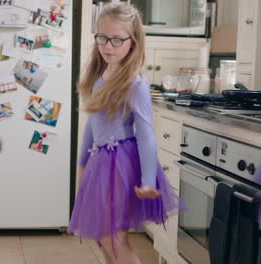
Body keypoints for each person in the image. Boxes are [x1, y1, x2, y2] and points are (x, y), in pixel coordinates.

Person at [69, 3, 183, 264]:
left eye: (117, 40)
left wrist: (147, 180)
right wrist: (82, 163)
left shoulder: (135, 82)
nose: (108, 46)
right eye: (102, 38)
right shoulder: (101, 75)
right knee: (103, 236)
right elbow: (92, 123)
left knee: (112, 237)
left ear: (133, 41)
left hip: (120, 164)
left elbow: (145, 134)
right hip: (100, 162)